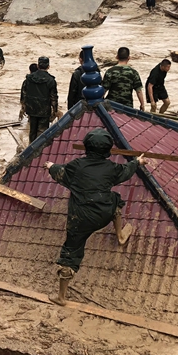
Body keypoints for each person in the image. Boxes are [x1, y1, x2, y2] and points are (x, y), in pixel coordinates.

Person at [44, 129, 148, 305]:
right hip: (104, 213)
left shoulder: (76, 166)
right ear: (108, 150)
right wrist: (137, 161)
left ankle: (61, 297)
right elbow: (126, 170)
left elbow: (60, 172)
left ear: (86, 147)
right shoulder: (111, 168)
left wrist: (50, 166)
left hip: (81, 219)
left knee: (71, 253)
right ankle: (121, 235)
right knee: (115, 199)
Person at [20, 56, 59, 144]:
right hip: (44, 110)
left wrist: (24, 106)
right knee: (42, 132)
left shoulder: (29, 78)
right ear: (48, 66)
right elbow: (54, 97)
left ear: (38, 66)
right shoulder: (51, 80)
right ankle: (39, 151)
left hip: (31, 108)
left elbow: (24, 93)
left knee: (32, 131)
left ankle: (30, 151)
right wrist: (55, 110)